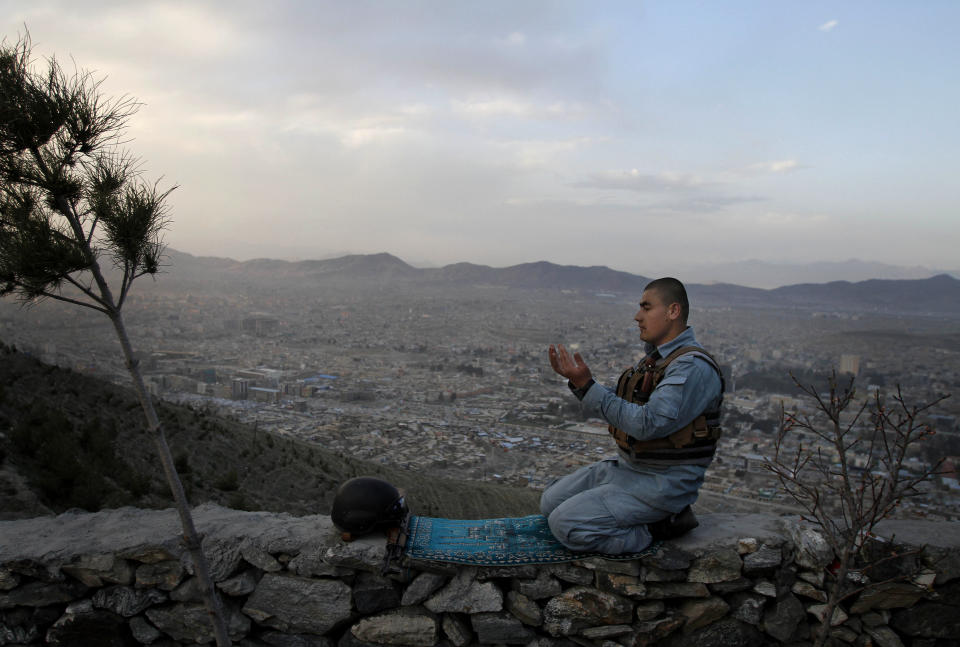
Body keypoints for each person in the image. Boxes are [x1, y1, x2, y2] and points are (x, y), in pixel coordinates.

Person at [541, 277, 724, 554]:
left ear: (673, 311)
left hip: (663, 481)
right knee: (549, 503)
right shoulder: (657, 360)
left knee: (567, 524)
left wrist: (589, 387)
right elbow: (624, 400)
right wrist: (581, 384)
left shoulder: (692, 368)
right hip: (629, 469)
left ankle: (656, 529)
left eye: (647, 308)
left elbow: (647, 424)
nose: (638, 316)